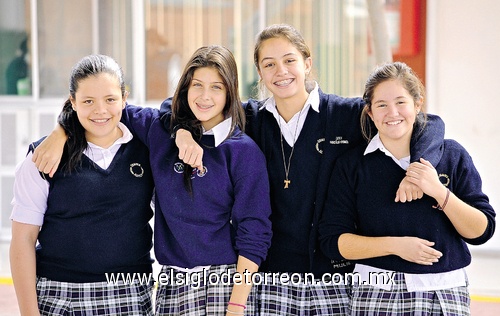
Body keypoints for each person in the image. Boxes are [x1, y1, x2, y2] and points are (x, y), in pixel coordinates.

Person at [166, 24, 446, 315]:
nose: (281, 71)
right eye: (269, 64)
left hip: (333, 280)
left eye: (289, 60)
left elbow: (430, 123)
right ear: (259, 73)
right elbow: (174, 108)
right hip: (270, 279)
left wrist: (418, 168)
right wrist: (182, 132)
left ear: (307, 63)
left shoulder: (344, 115)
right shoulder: (248, 119)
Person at [31, 45, 273, 315]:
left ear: (230, 92)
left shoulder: (243, 151)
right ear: (185, 88)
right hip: (172, 285)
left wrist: (237, 305)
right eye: (197, 85)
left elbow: (255, 232)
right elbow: (102, 106)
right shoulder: (159, 131)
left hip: (223, 284)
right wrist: (60, 132)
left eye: (216, 87)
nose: (205, 97)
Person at [318, 61, 496, 315]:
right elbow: (334, 242)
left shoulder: (452, 155)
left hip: (444, 290)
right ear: (370, 113)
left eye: (401, 102)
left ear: (417, 104)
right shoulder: (352, 165)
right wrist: (396, 246)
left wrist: (438, 190)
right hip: (374, 290)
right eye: (381, 105)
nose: (392, 113)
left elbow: (482, 231)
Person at [9, 54, 155, 315]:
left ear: (124, 98)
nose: (100, 110)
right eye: (88, 101)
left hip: (130, 293)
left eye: (110, 99)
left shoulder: (147, 151)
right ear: (72, 102)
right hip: (60, 295)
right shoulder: (42, 157)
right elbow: (23, 240)